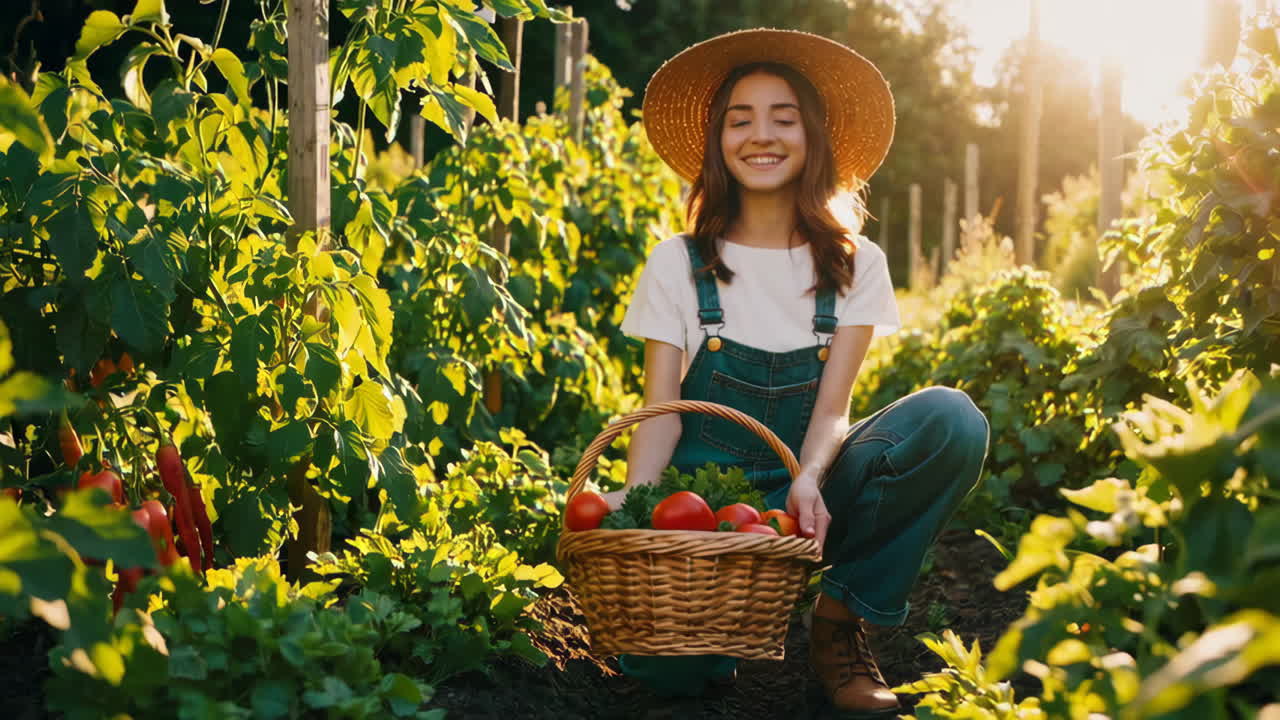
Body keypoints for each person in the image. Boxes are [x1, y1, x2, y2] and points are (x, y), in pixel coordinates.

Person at [603, 28, 991, 718]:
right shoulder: (678, 262)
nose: (762, 135)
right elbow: (659, 412)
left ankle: (838, 627)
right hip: (709, 511)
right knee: (671, 678)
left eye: (784, 118)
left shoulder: (853, 262)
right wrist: (641, 515)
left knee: (951, 420)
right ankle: (712, 636)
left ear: (813, 137)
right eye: (740, 119)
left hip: (807, 501)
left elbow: (833, 410)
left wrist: (810, 477)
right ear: (717, 141)